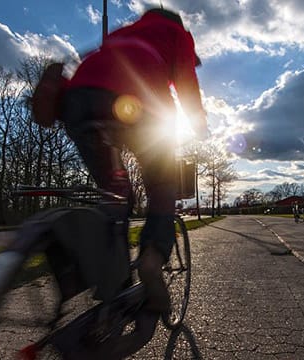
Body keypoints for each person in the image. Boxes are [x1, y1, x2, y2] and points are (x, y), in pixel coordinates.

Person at [59, 7, 207, 316]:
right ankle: (151, 258)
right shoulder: (176, 35)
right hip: (135, 99)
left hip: (78, 98)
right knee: (163, 183)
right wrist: (198, 123)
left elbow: (92, 60)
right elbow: (186, 80)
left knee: (115, 195)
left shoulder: (123, 32)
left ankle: (112, 280)